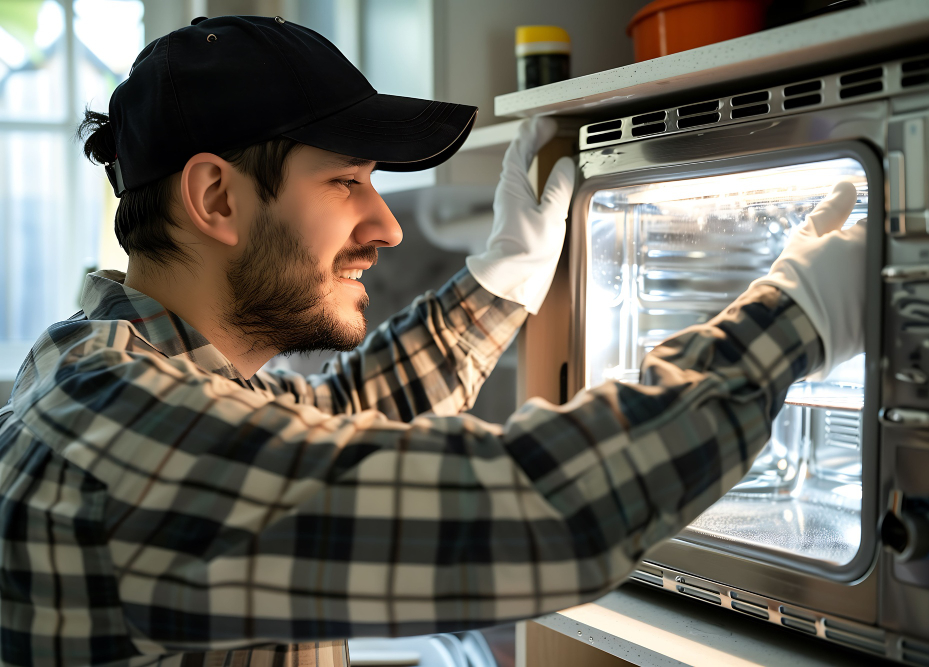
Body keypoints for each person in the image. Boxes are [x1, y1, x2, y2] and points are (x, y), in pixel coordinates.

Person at [0, 15, 867, 667]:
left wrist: (500, 279)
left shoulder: (113, 371)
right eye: (346, 181)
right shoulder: (116, 430)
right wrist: (790, 323)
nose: (386, 226)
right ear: (216, 199)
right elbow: (525, 516)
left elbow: (335, 420)